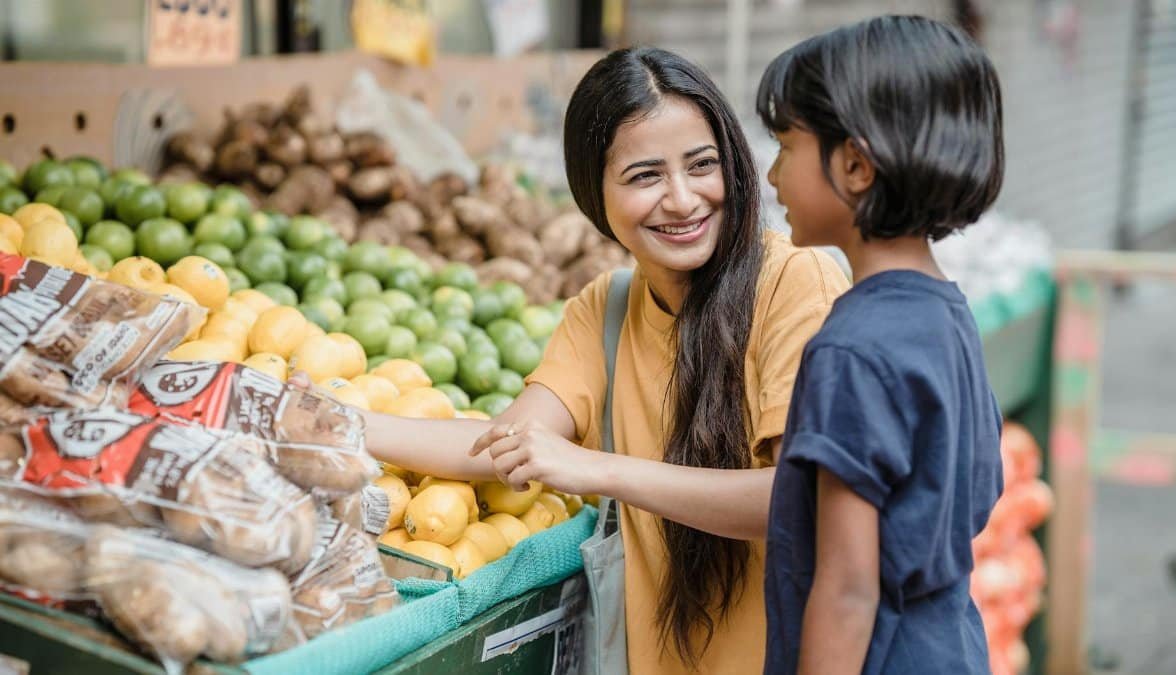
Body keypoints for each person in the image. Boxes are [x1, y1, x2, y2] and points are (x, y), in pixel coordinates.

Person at [298, 47, 848, 673]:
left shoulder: (796, 284)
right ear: (595, 192)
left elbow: (798, 501)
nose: (683, 199)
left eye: (703, 165)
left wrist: (600, 469)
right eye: (645, 176)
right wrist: (334, 421)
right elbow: (501, 445)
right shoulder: (605, 309)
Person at [755, 15, 1006, 675]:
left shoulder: (850, 350)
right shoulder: (946, 313)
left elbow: (847, 589)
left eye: (785, 146)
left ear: (856, 164)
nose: (774, 175)